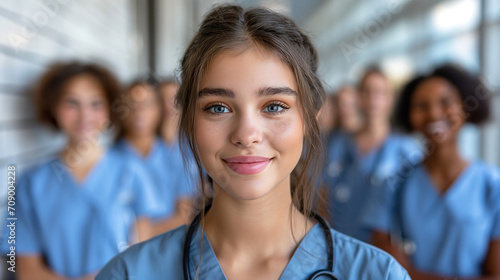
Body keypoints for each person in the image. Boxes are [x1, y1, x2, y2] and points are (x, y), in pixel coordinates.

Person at [97, 5, 410, 279]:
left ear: (309, 118)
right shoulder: (128, 274)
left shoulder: (379, 274)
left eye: (274, 107)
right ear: (189, 120)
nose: (246, 134)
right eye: (217, 108)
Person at [3, 62, 162, 280]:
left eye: (96, 104)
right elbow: (26, 270)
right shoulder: (31, 183)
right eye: (72, 103)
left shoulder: (132, 171)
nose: (85, 115)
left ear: (108, 110)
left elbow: (142, 257)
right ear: (54, 107)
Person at [363, 64, 500, 279]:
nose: (434, 113)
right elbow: (389, 269)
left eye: (446, 102)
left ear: (465, 106)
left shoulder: (493, 185)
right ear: (409, 115)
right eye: (421, 106)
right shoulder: (393, 184)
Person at [321, 67, 421, 242]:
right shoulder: (339, 144)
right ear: (358, 97)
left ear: (391, 99)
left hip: (384, 248)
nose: (373, 100)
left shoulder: (406, 150)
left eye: (380, 93)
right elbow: (324, 195)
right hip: (340, 244)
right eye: (367, 92)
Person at [113, 78, 195, 235]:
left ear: (159, 110)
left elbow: (186, 214)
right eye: (131, 104)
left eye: (147, 105)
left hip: (164, 245)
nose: (139, 111)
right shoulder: (109, 159)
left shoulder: (177, 157)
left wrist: (147, 233)